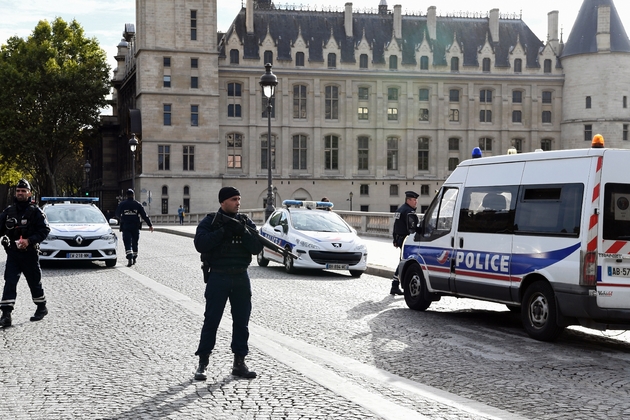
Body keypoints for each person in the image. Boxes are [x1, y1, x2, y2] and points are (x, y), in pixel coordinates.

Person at [193, 186, 264, 381]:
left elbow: (257, 247)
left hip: (241, 277)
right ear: (223, 202)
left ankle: (239, 363)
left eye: (239, 199)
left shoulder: (245, 222)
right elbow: (200, 243)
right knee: (211, 321)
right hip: (218, 276)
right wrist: (223, 231)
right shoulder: (211, 222)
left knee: (242, 323)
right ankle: (203, 363)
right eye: (233, 199)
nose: (238, 203)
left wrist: (243, 232)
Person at [0, 179, 51, 328]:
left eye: (23, 191)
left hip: (30, 254)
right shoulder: (8, 211)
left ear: (29, 193)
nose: (20, 193)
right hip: (13, 255)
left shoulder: (36, 212)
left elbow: (45, 230)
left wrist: (29, 241)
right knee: (10, 282)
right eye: (18, 191)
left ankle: (41, 307)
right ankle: (6, 315)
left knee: (34, 282)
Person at [390, 190, 419, 296]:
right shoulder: (409, 212)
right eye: (414, 200)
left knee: (403, 261)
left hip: (399, 238)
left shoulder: (400, 209)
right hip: (406, 239)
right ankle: (395, 285)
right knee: (405, 261)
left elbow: (395, 225)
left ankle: (395, 285)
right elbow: (412, 228)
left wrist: (394, 239)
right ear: (409, 200)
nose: (416, 202)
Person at [115, 189, 154, 267]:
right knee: (135, 242)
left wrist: (122, 218)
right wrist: (150, 225)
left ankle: (129, 257)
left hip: (126, 226)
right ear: (133, 195)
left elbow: (117, 214)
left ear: (126, 195)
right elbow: (144, 215)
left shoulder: (122, 204)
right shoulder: (138, 204)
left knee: (127, 242)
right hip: (135, 226)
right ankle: (134, 257)